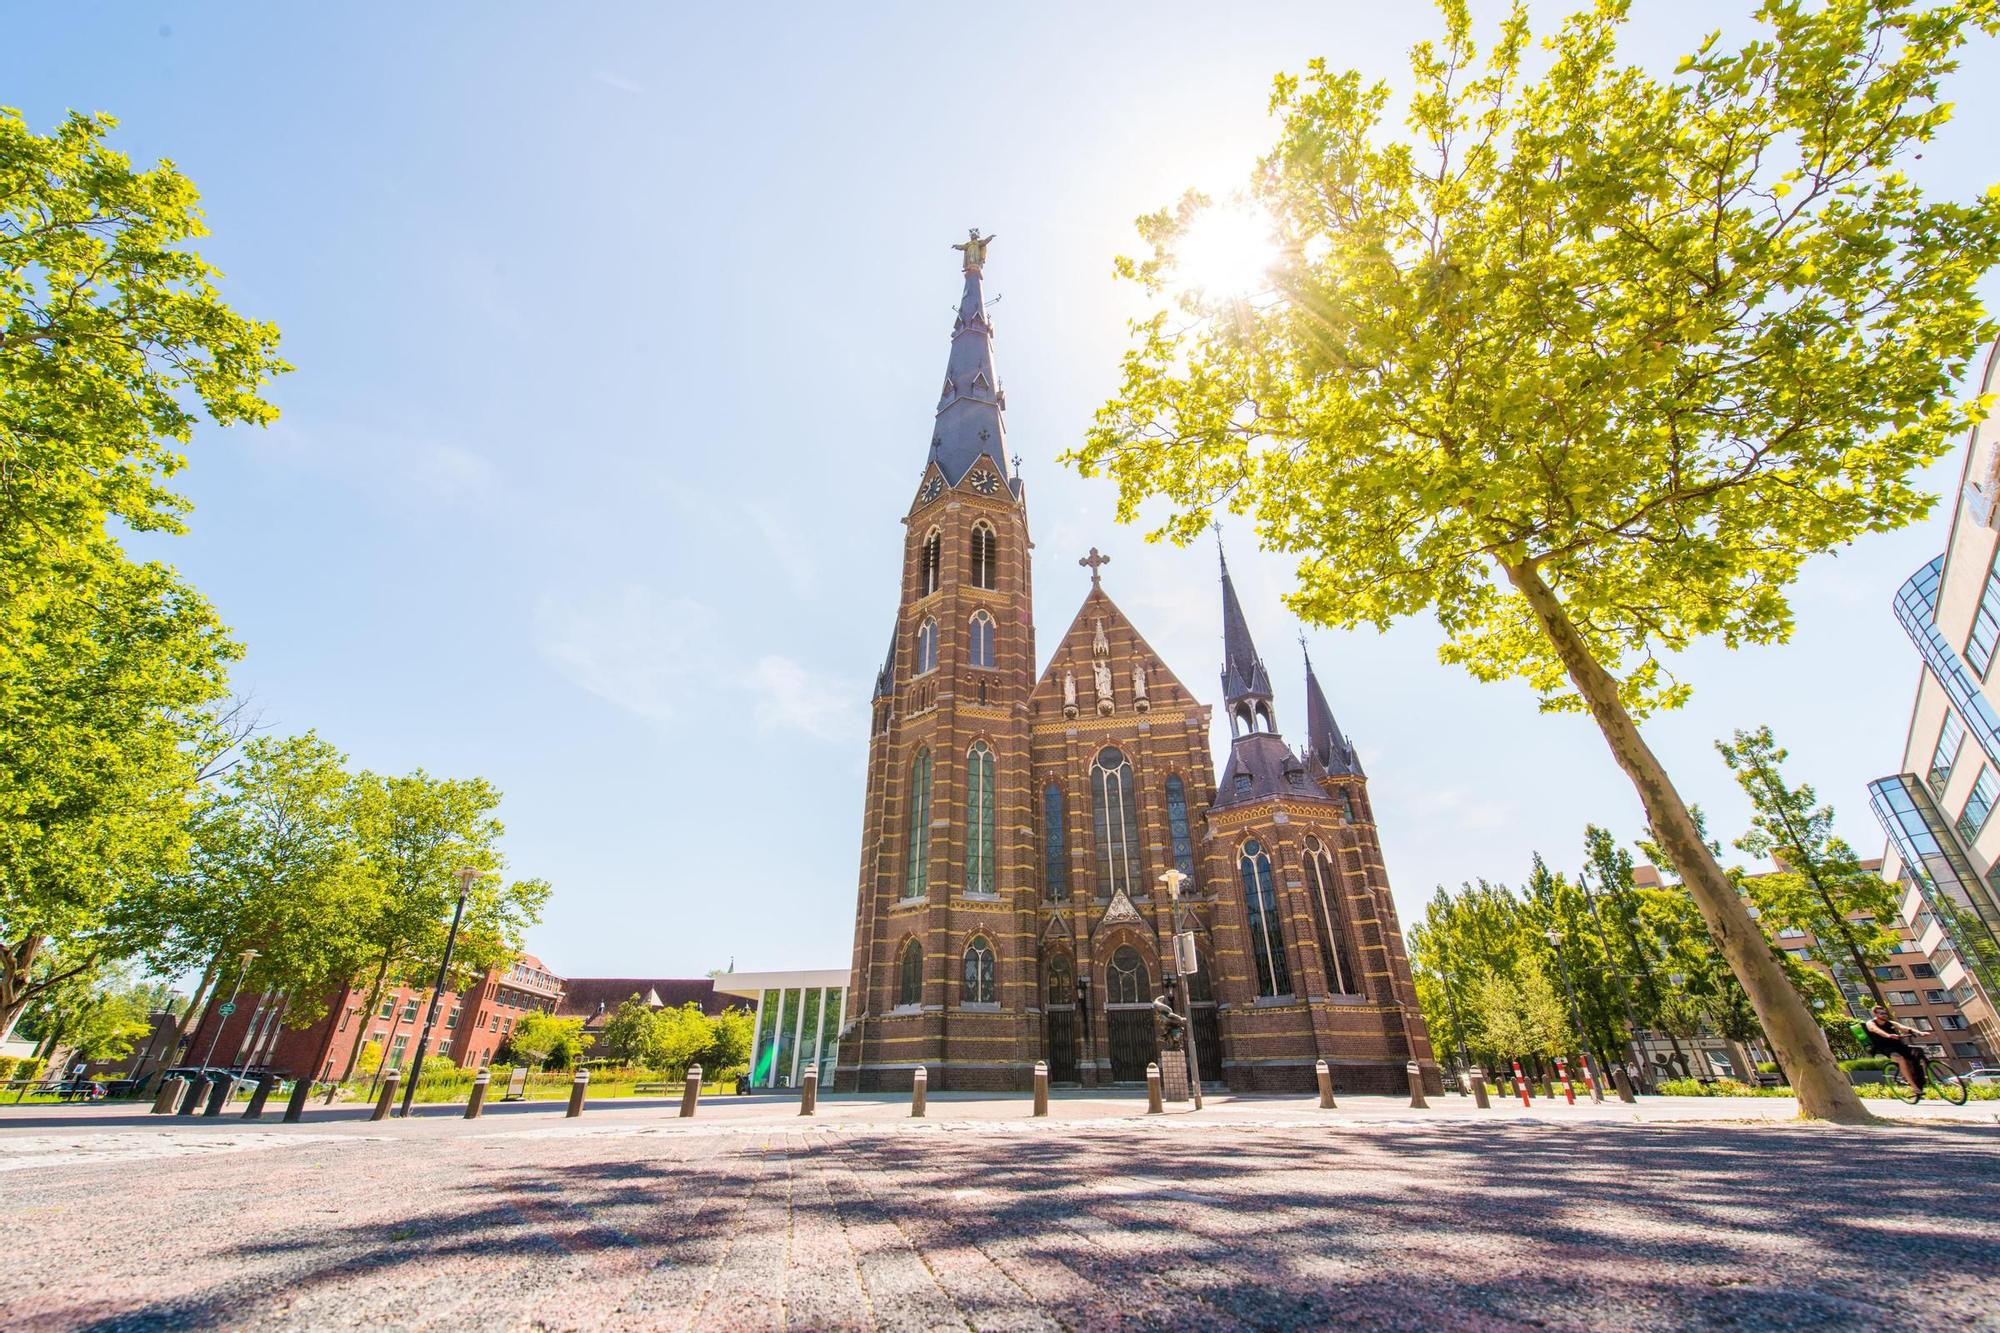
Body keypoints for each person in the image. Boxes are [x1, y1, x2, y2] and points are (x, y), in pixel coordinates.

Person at [1863, 1005, 1927, 1097]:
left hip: (1898, 1045)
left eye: (1885, 1013)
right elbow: (1876, 1030)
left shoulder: (1890, 1023)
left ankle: (1919, 1078)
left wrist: (1920, 1032)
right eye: (1881, 1013)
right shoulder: (1871, 1023)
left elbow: (1903, 1027)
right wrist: (1888, 1035)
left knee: (1917, 1053)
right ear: (1875, 1014)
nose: (1884, 1015)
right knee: (1900, 1059)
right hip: (1885, 1048)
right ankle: (1914, 1088)